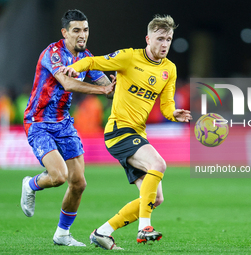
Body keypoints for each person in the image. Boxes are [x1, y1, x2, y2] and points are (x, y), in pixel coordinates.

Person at [60, 14, 192, 249]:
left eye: (169, 39)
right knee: (159, 164)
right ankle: (144, 227)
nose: (164, 44)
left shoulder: (169, 69)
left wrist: (174, 114)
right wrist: (73, 67)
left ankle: (102, 232)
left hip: (137, 134)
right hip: (119, 131)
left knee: (155, 198)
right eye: (160, 39)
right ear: (148, 39)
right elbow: (93, 62)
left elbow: (166, 105)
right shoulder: (128, 57)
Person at [21, 9, 116, 247]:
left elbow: (107, 84)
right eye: (76, 30)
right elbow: (67, 82)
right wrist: (102, 91)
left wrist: (125, 85)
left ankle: (62, 234)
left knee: (79, 182)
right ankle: (30, 184)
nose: (82, 35)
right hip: (39, 122)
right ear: (65, 33)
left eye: (85, 30)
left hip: (64, 123)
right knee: (59, 176)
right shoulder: (53, 54)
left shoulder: (87, 58)